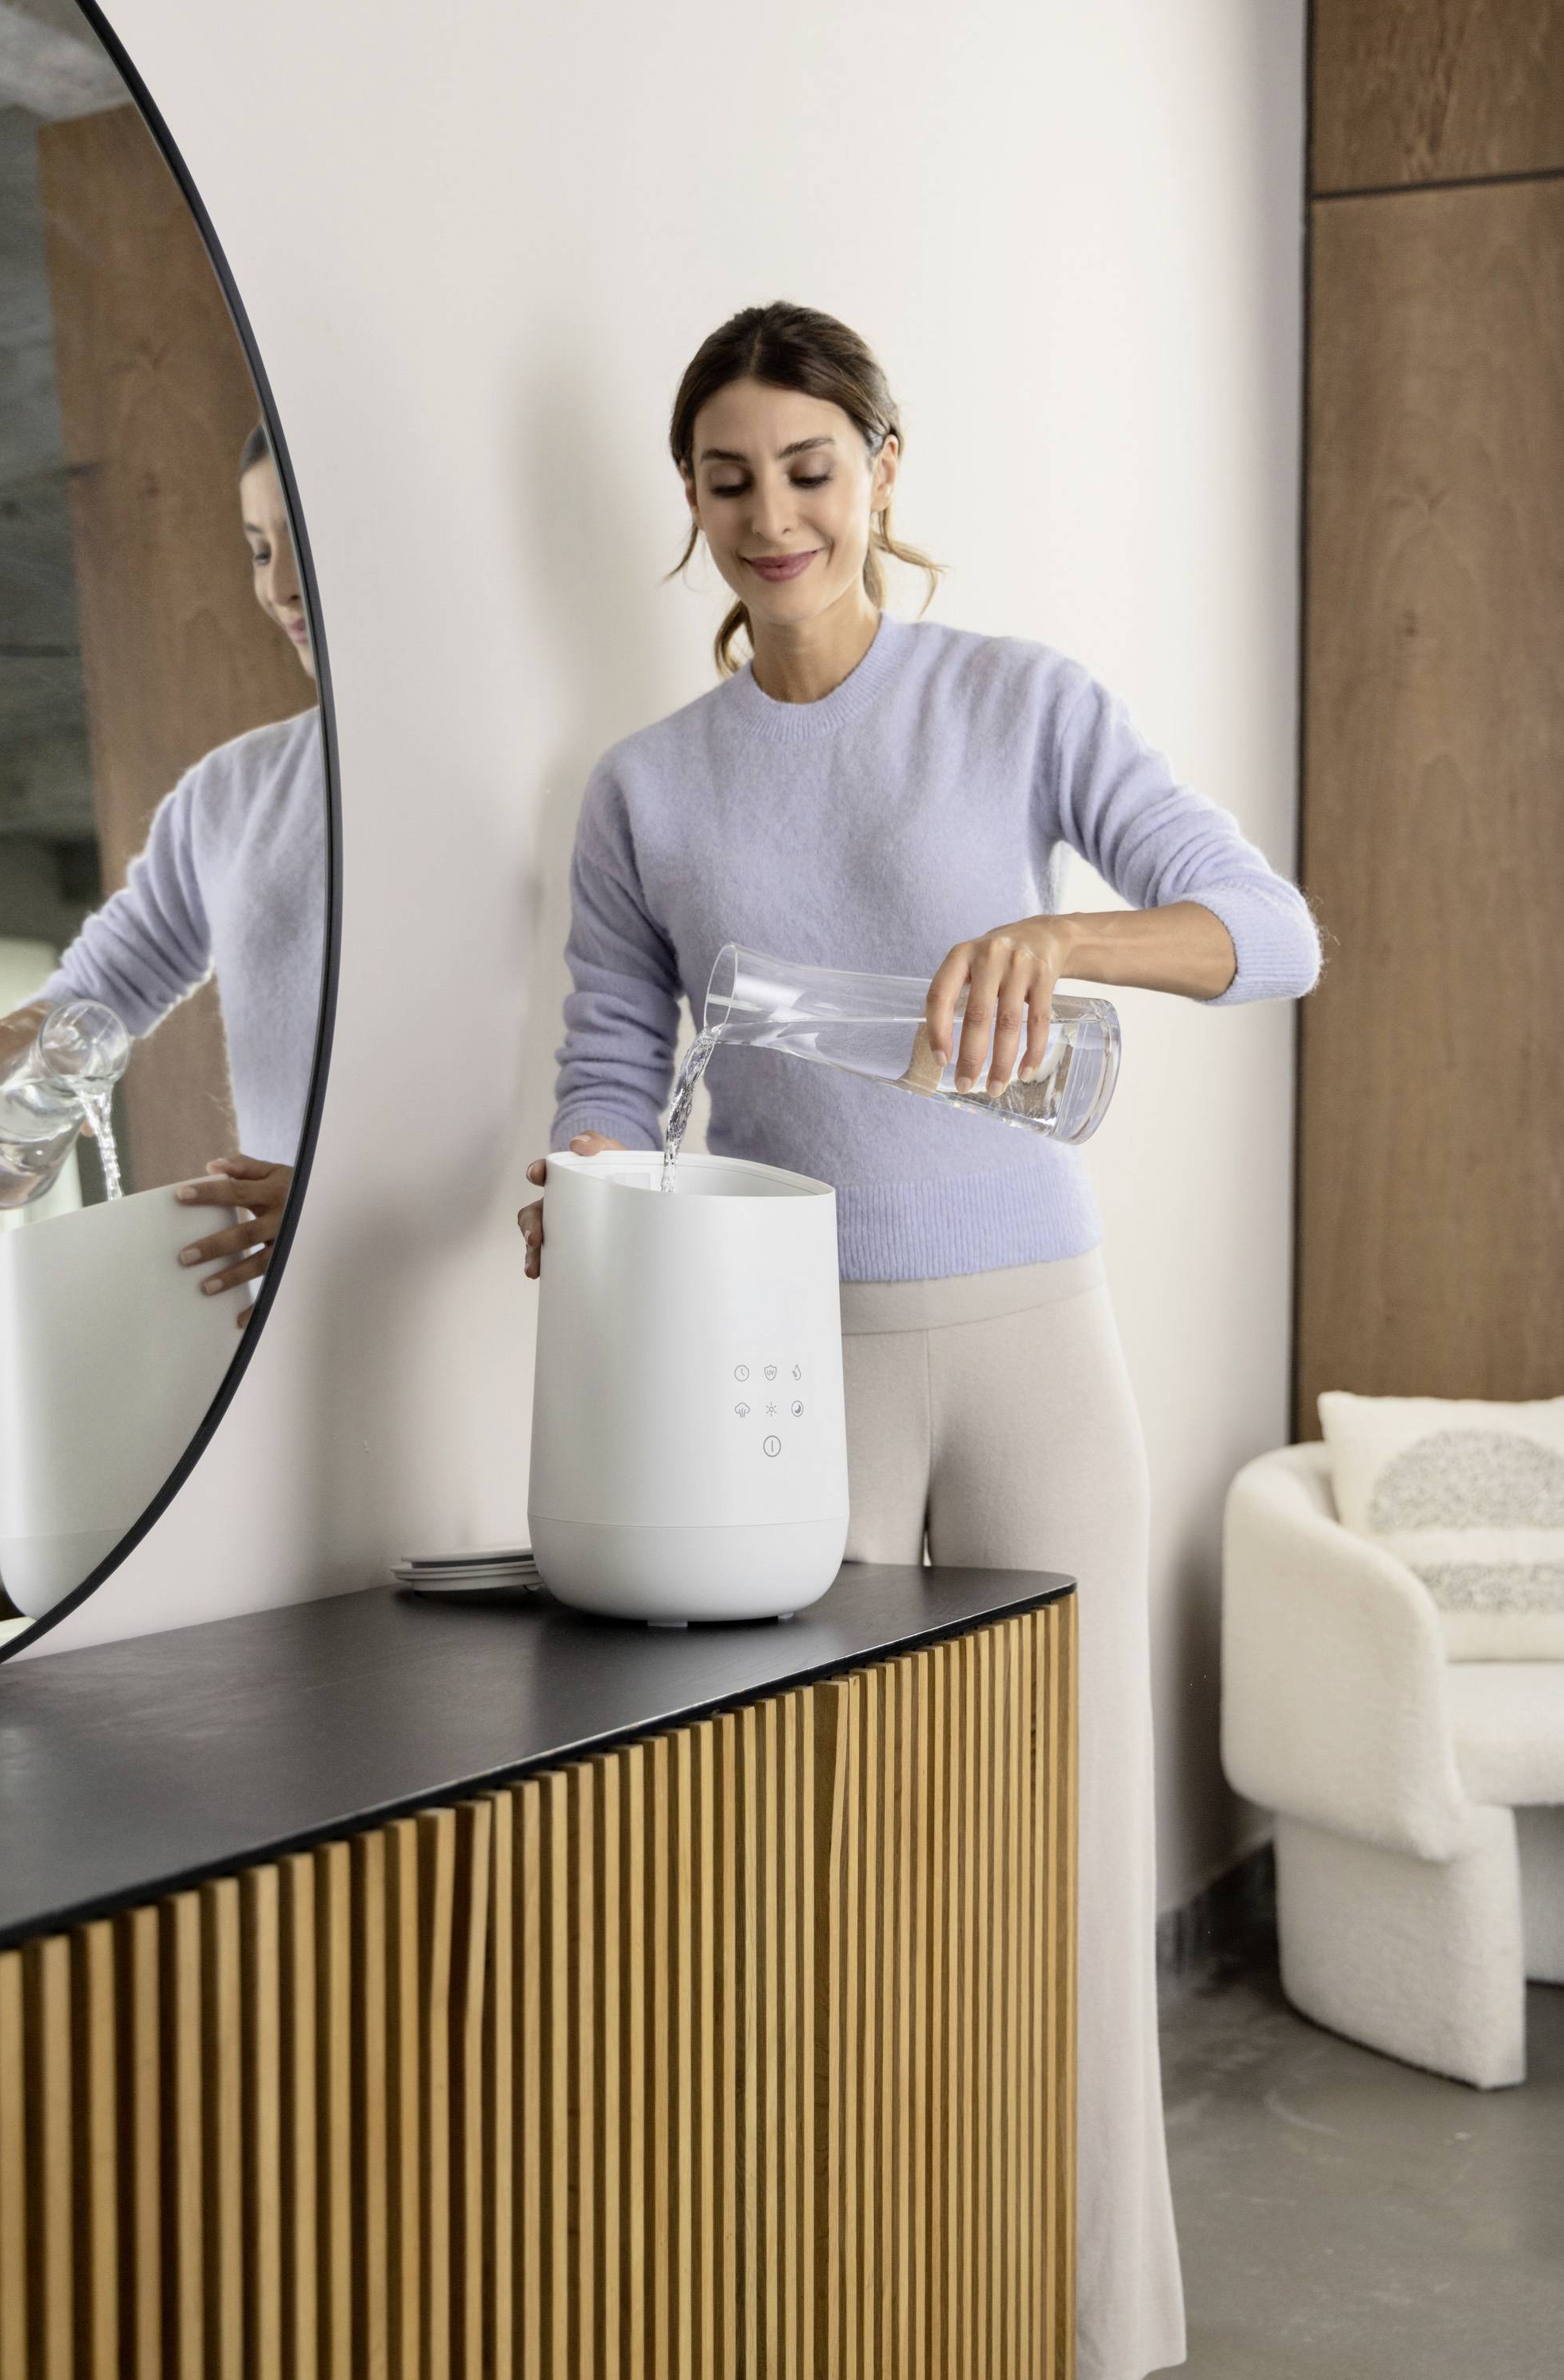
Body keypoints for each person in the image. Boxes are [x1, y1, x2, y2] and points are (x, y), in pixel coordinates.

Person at [518, 301, 1321, 2379]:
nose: (770, 512)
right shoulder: (646, 791)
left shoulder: (1019, 704)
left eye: (807, 466)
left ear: (884, 469)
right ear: (686, 507)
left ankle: (1102, 2336)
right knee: (831, 1879)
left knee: (1063, 1874)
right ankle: (862, 2309)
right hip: (778, 1361)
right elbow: (617, 1060)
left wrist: (1065, 934)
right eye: (725, 478)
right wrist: (588, 1183)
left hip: (1035, 1348)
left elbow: (1273, 929)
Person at [0, 425, 326, 1322]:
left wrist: (338, 1201)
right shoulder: (230, 793)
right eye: (258, 550)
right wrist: (16, 1041)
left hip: (465, 1290)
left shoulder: (502, 786)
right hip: (283, 1309)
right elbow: (109, 985)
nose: (279, 587)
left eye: (301, 541)